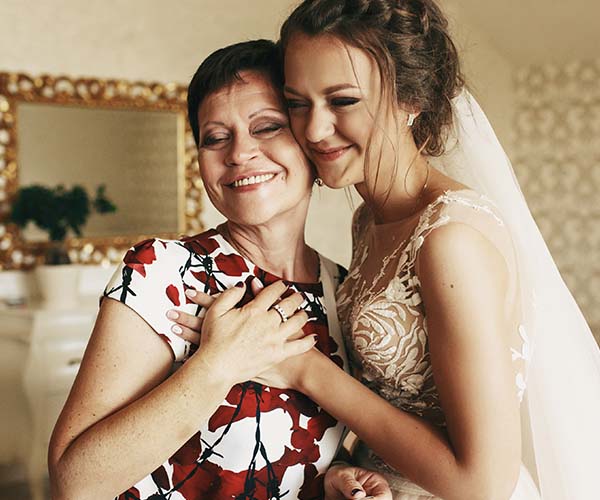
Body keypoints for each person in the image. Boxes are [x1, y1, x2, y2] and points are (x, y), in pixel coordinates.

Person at [173, 1, 600, 499]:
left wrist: (304, 369)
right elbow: (398, 409)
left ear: (410, 98)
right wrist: (344, 469)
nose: (313, 129)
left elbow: (483, 482)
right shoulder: (369, 222)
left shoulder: (450, 241)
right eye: (297, 103)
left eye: (343, 101)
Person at [47, 39, 392, 500]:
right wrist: (220, 363)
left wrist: (331, 479)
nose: (239, 153)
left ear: (311, 142)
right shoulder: (163, 271)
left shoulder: (343, 290)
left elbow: (284, 456)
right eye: (215, 137)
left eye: (267, 127)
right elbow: (76, 482)